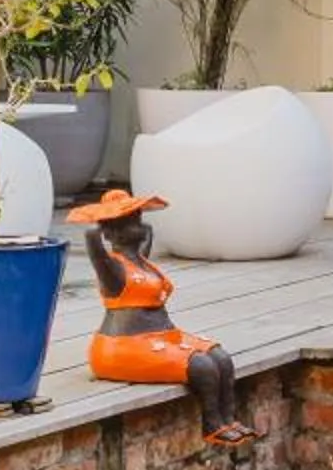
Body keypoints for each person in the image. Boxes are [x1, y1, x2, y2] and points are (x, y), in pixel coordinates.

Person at [71, 190, 250, 447]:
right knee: (201, 366)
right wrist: (97, 230)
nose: (139, 224)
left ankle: (229, 419)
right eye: (130, 220)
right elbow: (96, 254)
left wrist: (132, 220)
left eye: (138, 217)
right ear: (112, 231)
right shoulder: (113, 270)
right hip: (124, 345)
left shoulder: (141, 261)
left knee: (221, 357)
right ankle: (212, 424)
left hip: (163, 337)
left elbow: (148, 233)